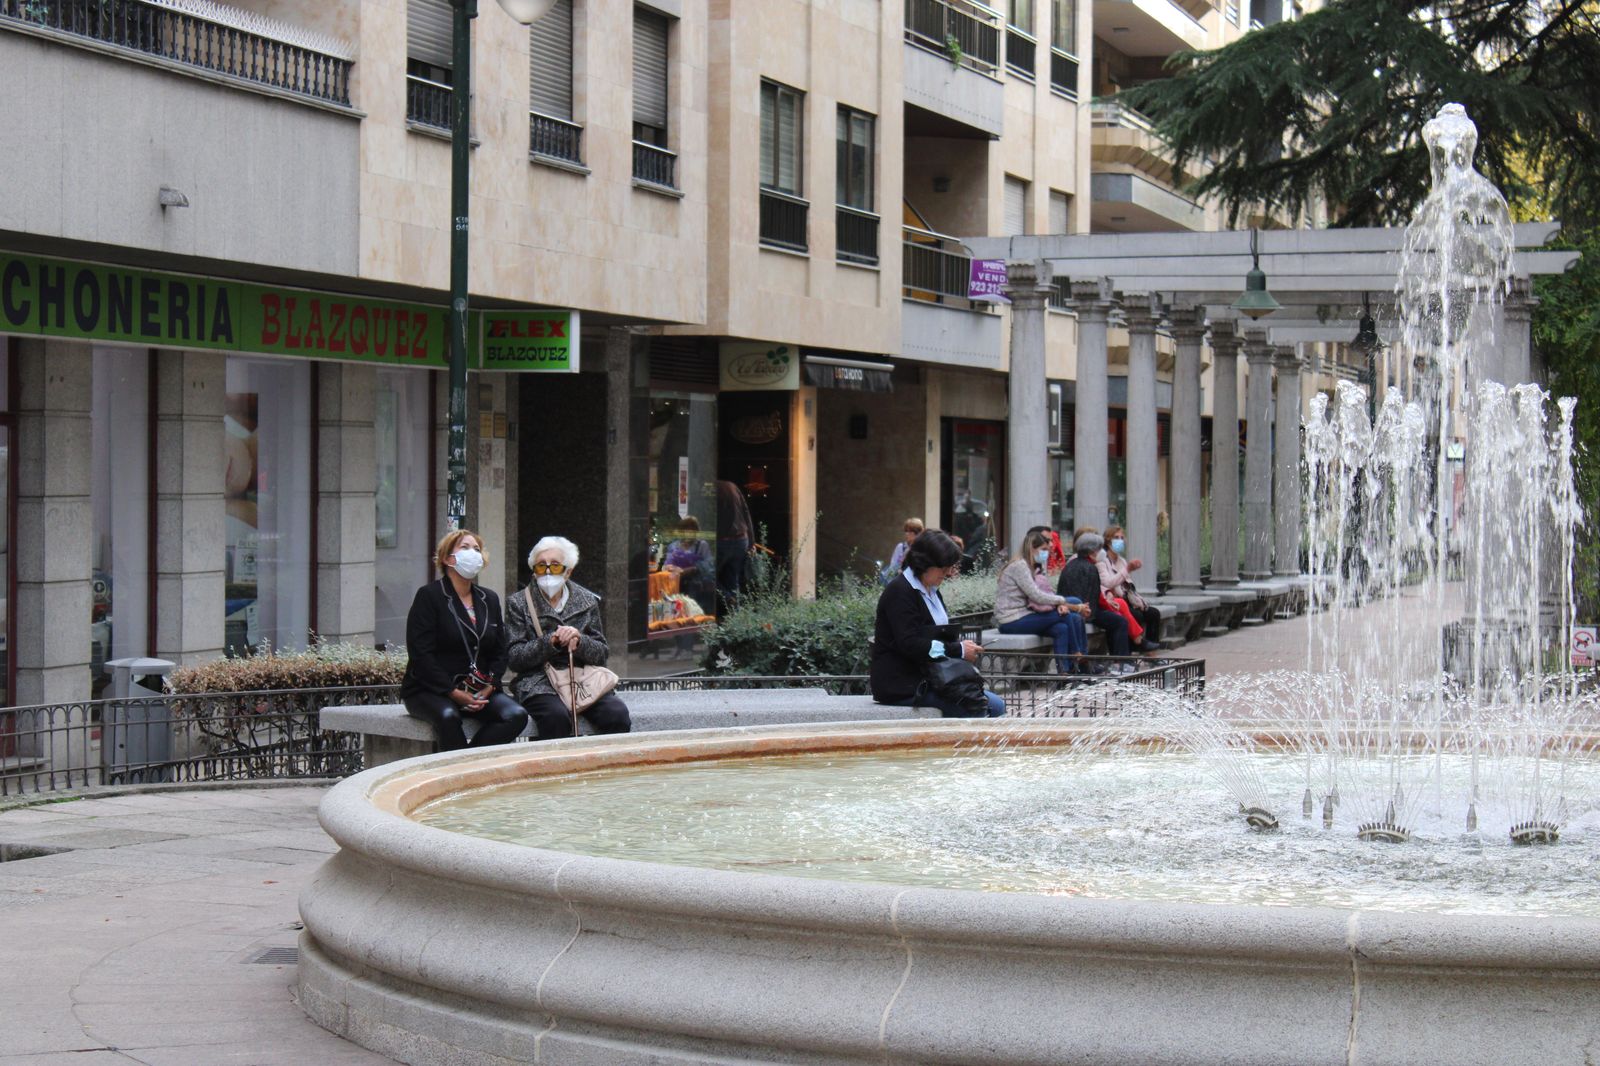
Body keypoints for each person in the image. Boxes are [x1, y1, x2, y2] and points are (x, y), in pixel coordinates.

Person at [399, 530, 529, 751]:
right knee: (448, 716)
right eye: (465, 547)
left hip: (479, 688)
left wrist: (490, 685)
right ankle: (456, 774)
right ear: (447, 558)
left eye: (477, 549)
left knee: (515, 715)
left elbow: (500, 649)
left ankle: (468, 762)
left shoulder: (489, 598)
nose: (473, 553)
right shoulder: (429, 596)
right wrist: (453, 693)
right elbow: (421, 654)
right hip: (431, 690)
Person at [506, 535, 633, 740]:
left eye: (555, 566)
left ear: (568, 571)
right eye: (541, 566)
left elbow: (601, 652)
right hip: (538, 681)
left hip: (581, 679)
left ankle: (600, 767)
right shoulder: (518, 602)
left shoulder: (586, 600)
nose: (547, 572)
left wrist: (579, 640)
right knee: (555, 718)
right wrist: (551, 642)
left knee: (616, 715)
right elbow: (514, 657)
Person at [871, 529, 1005, 717]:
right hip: (903, 684)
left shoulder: (932, 589)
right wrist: (957, 649)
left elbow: (936, 634)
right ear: (925, 564)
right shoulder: (900, 592)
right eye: (944, 568)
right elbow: (910, 643)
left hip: (933, 679)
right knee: (977, 708)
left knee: (997, 705)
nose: (949, 572)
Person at [994, 529, 1090, 674]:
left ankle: (1064, 673)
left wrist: (1060, 604)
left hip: (1025, 614)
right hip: (1011, 620)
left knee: (1061, 629)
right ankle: (1077, 655)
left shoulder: (1031, 566)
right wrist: (1062, 602)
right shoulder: (1020, 566)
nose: (1047, 553)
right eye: (1043, 549)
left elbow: (1041, 595)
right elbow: (1036, 595)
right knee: (1068, 615)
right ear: (1032, 548)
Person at [1058, 531, 1134, 665]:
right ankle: (1122, 662)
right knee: (1120, 622)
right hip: (1086, 610)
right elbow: (1093, 596)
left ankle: (1117, 662)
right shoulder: (1090, 568)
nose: (1102, 552)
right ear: (1092, 551)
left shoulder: (1071, 565)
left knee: (1114, 619)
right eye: (1100, 549)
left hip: (1079, 607)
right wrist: (1107, 607)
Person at [1099, 525, 1162, 652]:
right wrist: (1127, 569)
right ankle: (1135, 648)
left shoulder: (1121, 560)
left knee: (1153, 613)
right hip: (1114, 599)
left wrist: (1137, 600)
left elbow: (1128, 585)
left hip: (1127, 598)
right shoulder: (1102, 561)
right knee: (1136, 615)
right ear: (1107, 540)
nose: (1119, 541)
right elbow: (1109, 583)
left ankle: (1151, 654)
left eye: (1122, 538)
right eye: (1116, 538)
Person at [880, 517, 924, 584]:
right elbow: (893, 566)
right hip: (901, 582)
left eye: (910, 531)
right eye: (906, 531)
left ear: (917, 533)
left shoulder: (923, 548)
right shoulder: (901, 547)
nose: (907, 534)